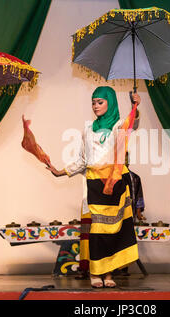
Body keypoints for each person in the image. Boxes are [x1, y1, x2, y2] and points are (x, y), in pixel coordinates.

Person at [46, 86, 140, 288]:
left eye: (100, 102)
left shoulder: (118, 126)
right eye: (93, 102)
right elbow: (82, 160)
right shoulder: (88, 129)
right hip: (95, 184)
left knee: (114, 229)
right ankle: (96, 273)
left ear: (110, 102)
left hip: (115, 182)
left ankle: (108, 274)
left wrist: (135, 107)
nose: (95, 106)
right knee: (98, 230)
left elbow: (132, 124)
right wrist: (60, 171)